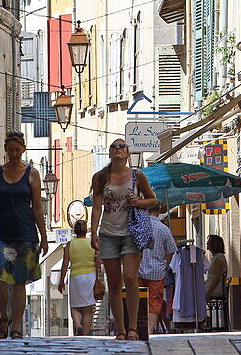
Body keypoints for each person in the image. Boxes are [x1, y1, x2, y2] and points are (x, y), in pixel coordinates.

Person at [0, 130, 48, 339]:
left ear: (23, 150)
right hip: (1, 232)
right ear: (6, 150)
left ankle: (16, 325)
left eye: (18, 150)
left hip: (25, 233)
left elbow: (37, 208)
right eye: (11, 150)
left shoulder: (32, 174)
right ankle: (5, 316)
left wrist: (44, 237)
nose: (14, 153)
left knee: (19, 282)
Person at [90, 138, 156, 341]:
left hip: (131, 233)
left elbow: (153, 200)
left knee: (130, 277)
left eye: (121, 146)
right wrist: (93, 233)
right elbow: (97, 207)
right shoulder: (100, 178)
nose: (117, 148)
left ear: (127, 154)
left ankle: (133, 327)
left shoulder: (138, 176)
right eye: (114, 146)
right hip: (108, 234)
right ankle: (120, 330)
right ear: (110, 154)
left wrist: (138, 202)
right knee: (114, 282)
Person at [138, 203, 177, 334]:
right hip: (157, 272)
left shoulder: (139, 227)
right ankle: (149, 330)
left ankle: (139, 328)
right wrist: (165, 265)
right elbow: (171, 251)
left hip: (139, 269)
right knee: (154, 302)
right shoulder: (164, 229)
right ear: (159, 210)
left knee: (140, 301)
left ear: (147, 209)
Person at [58, 219, 101, 336]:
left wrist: (61, 281)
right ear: (85, 230)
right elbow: (98, 261)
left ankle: (78, 325)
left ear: (75, 230)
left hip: (75, 277)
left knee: (74, 306)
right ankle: (85, 335)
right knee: (88, 308)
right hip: (90, 276)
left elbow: (65, 264)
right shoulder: (91, 243)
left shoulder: (70, 244)